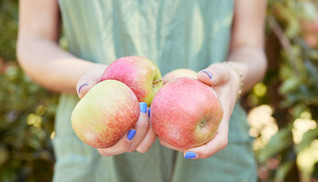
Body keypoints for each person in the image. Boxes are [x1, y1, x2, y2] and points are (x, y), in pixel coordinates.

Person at [17, 0, 267, 181]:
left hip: (213, 145)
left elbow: (250, 48)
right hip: (97, 153)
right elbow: (33, 42)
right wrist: (105, 78)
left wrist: (234, 73)